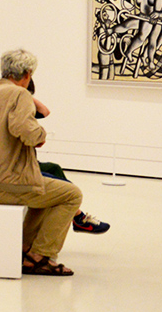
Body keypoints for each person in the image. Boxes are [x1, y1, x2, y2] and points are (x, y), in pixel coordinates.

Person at [0, 48, 82, 276]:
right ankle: (41, 256)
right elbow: (24, 128)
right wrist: (41, 135)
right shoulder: (19, 95)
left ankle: (25, 249)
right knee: (71, 195)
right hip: (3, 183)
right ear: (27, 74)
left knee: (43, 190)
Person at [27, 78, 110, 235]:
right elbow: (39, 140)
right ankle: (78, 216)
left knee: (54, 168)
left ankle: (77, 217)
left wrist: (26, 97)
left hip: (29, 161)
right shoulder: (17, 111)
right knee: (66, 189)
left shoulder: (23, 107)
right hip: (21, 166)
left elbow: (45, 111)